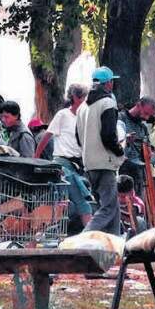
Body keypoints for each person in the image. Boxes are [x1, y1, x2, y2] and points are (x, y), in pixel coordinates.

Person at [76, 67, 125, 235]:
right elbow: (108, 136)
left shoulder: (82, 107)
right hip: (105, 163)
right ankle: (84, 237)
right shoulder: (107, 103)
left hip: (89, 164)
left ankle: (114, 243)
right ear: (108, 83)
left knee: (111, 209)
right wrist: (119, 151)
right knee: (109, 208)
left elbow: (78, 137)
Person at [44, 83, 94, 229]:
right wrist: (35, 157)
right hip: (62, 164)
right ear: (76, 98)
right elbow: (47, 136)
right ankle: (90, 235)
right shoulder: (63, 115)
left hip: (77, 166)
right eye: (84, 98)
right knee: (81, 204)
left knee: (67, 203)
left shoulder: (85, 118)